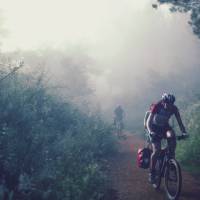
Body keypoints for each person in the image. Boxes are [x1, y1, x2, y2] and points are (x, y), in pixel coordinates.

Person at [146, 93, 188, 184]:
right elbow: (148, 122)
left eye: (171, 104)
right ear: (163, 102)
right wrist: (150, 132)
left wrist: (184, 132)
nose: (169, 106)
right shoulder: (156, 106)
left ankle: (171, 163)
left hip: (165, 127)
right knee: (156, 150)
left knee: (172, 138)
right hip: (154, 128)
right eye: (167, 103)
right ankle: (152, 173)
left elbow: (179, 122)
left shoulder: (174, 108)